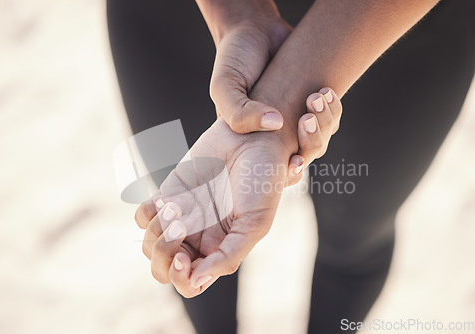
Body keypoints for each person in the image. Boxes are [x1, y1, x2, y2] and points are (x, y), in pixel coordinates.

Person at [107, 0, 475, 333]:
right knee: (192, 233)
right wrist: (237, 16)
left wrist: (284, 94)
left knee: (356, 237)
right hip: (173, 14)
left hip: (392, 23)